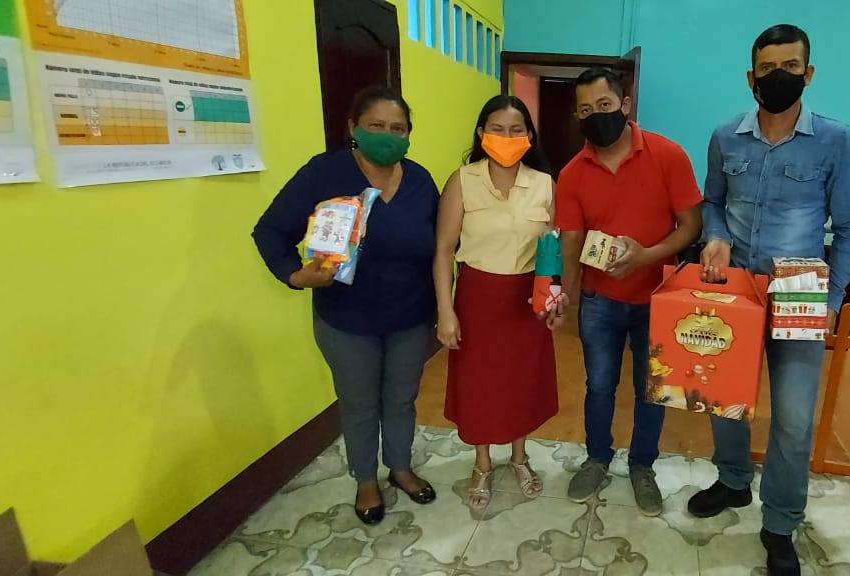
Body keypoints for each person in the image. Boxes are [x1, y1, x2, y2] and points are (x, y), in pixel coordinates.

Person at [690, 24, 850, 575]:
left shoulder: (836, 140)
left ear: (808, 74)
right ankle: (733, 480)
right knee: (724, 397)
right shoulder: (725, 136)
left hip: (800, 291)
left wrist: (831, 300)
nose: (778, 77)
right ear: (751, 78)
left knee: (792, 418)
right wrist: (716, 236)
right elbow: (712, 202)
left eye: (790, 67)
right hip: (736, 287)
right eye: (767, 69)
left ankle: (781, 522)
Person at [252, 86, 440, 525]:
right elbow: (269, 231)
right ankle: (365, 479)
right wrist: (296, 275)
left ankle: (400, 467)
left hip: (410, 318)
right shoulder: (324, 173)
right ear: (353, 127)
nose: (388, 136)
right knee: (359, 403)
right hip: (346, 321)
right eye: (377, 126)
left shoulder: (420, 181)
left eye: (398, 129)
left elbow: (442, 243)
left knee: (401, 399)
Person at [556, 68, 703, 516]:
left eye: (603, 105)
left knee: (651, 389)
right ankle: (597, 458)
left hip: (658, 299)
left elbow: (691, 225)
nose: (595, 115)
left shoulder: (667, 154)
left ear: (624, 105)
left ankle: (642, 467)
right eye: (585, 110)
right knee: (599, 385)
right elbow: (571, 243)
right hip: (599, 301)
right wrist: (566, 297)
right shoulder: (572, 174)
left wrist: (647, 256)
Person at [433, 95, 566, 512]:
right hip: (477, 297)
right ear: (481, 133)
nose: (507, 137)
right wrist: (445, 310)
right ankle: (482, 463)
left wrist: (555, 298)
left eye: (515, 130)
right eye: (497, 129)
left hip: (527, 299)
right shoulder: (462, 181)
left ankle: (519, 457)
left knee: (522, 382)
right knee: (479, 384)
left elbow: (553, 248)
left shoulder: (544, 184)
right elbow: (443, 250)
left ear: (529, 136)